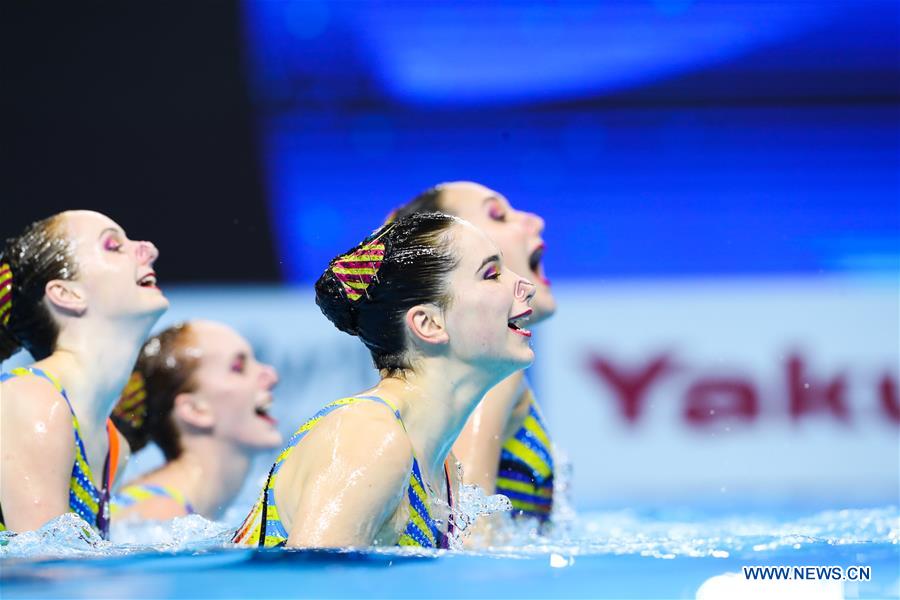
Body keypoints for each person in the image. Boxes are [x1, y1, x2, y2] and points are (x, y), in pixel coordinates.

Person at [232, 212, 536, 548]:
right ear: (429, 324)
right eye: (491, 274)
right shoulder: (369, 438)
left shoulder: (442, 466)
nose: (526, 285)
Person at [390, 182, 557, 522]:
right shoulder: (487, 368)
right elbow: (468, 521)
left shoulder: (433, 365)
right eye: (498, 215)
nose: (535, 221)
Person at [0, 211, 167, 538]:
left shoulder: (114, 446)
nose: (149, 249)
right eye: (113, 245)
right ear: (67, 294)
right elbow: (42, 576)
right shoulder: (31, 400)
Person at [110, 320, 282, 521]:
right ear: (195, 410)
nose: (271, 376)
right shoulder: (158, 514)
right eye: (238, 367)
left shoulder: (186, 509)